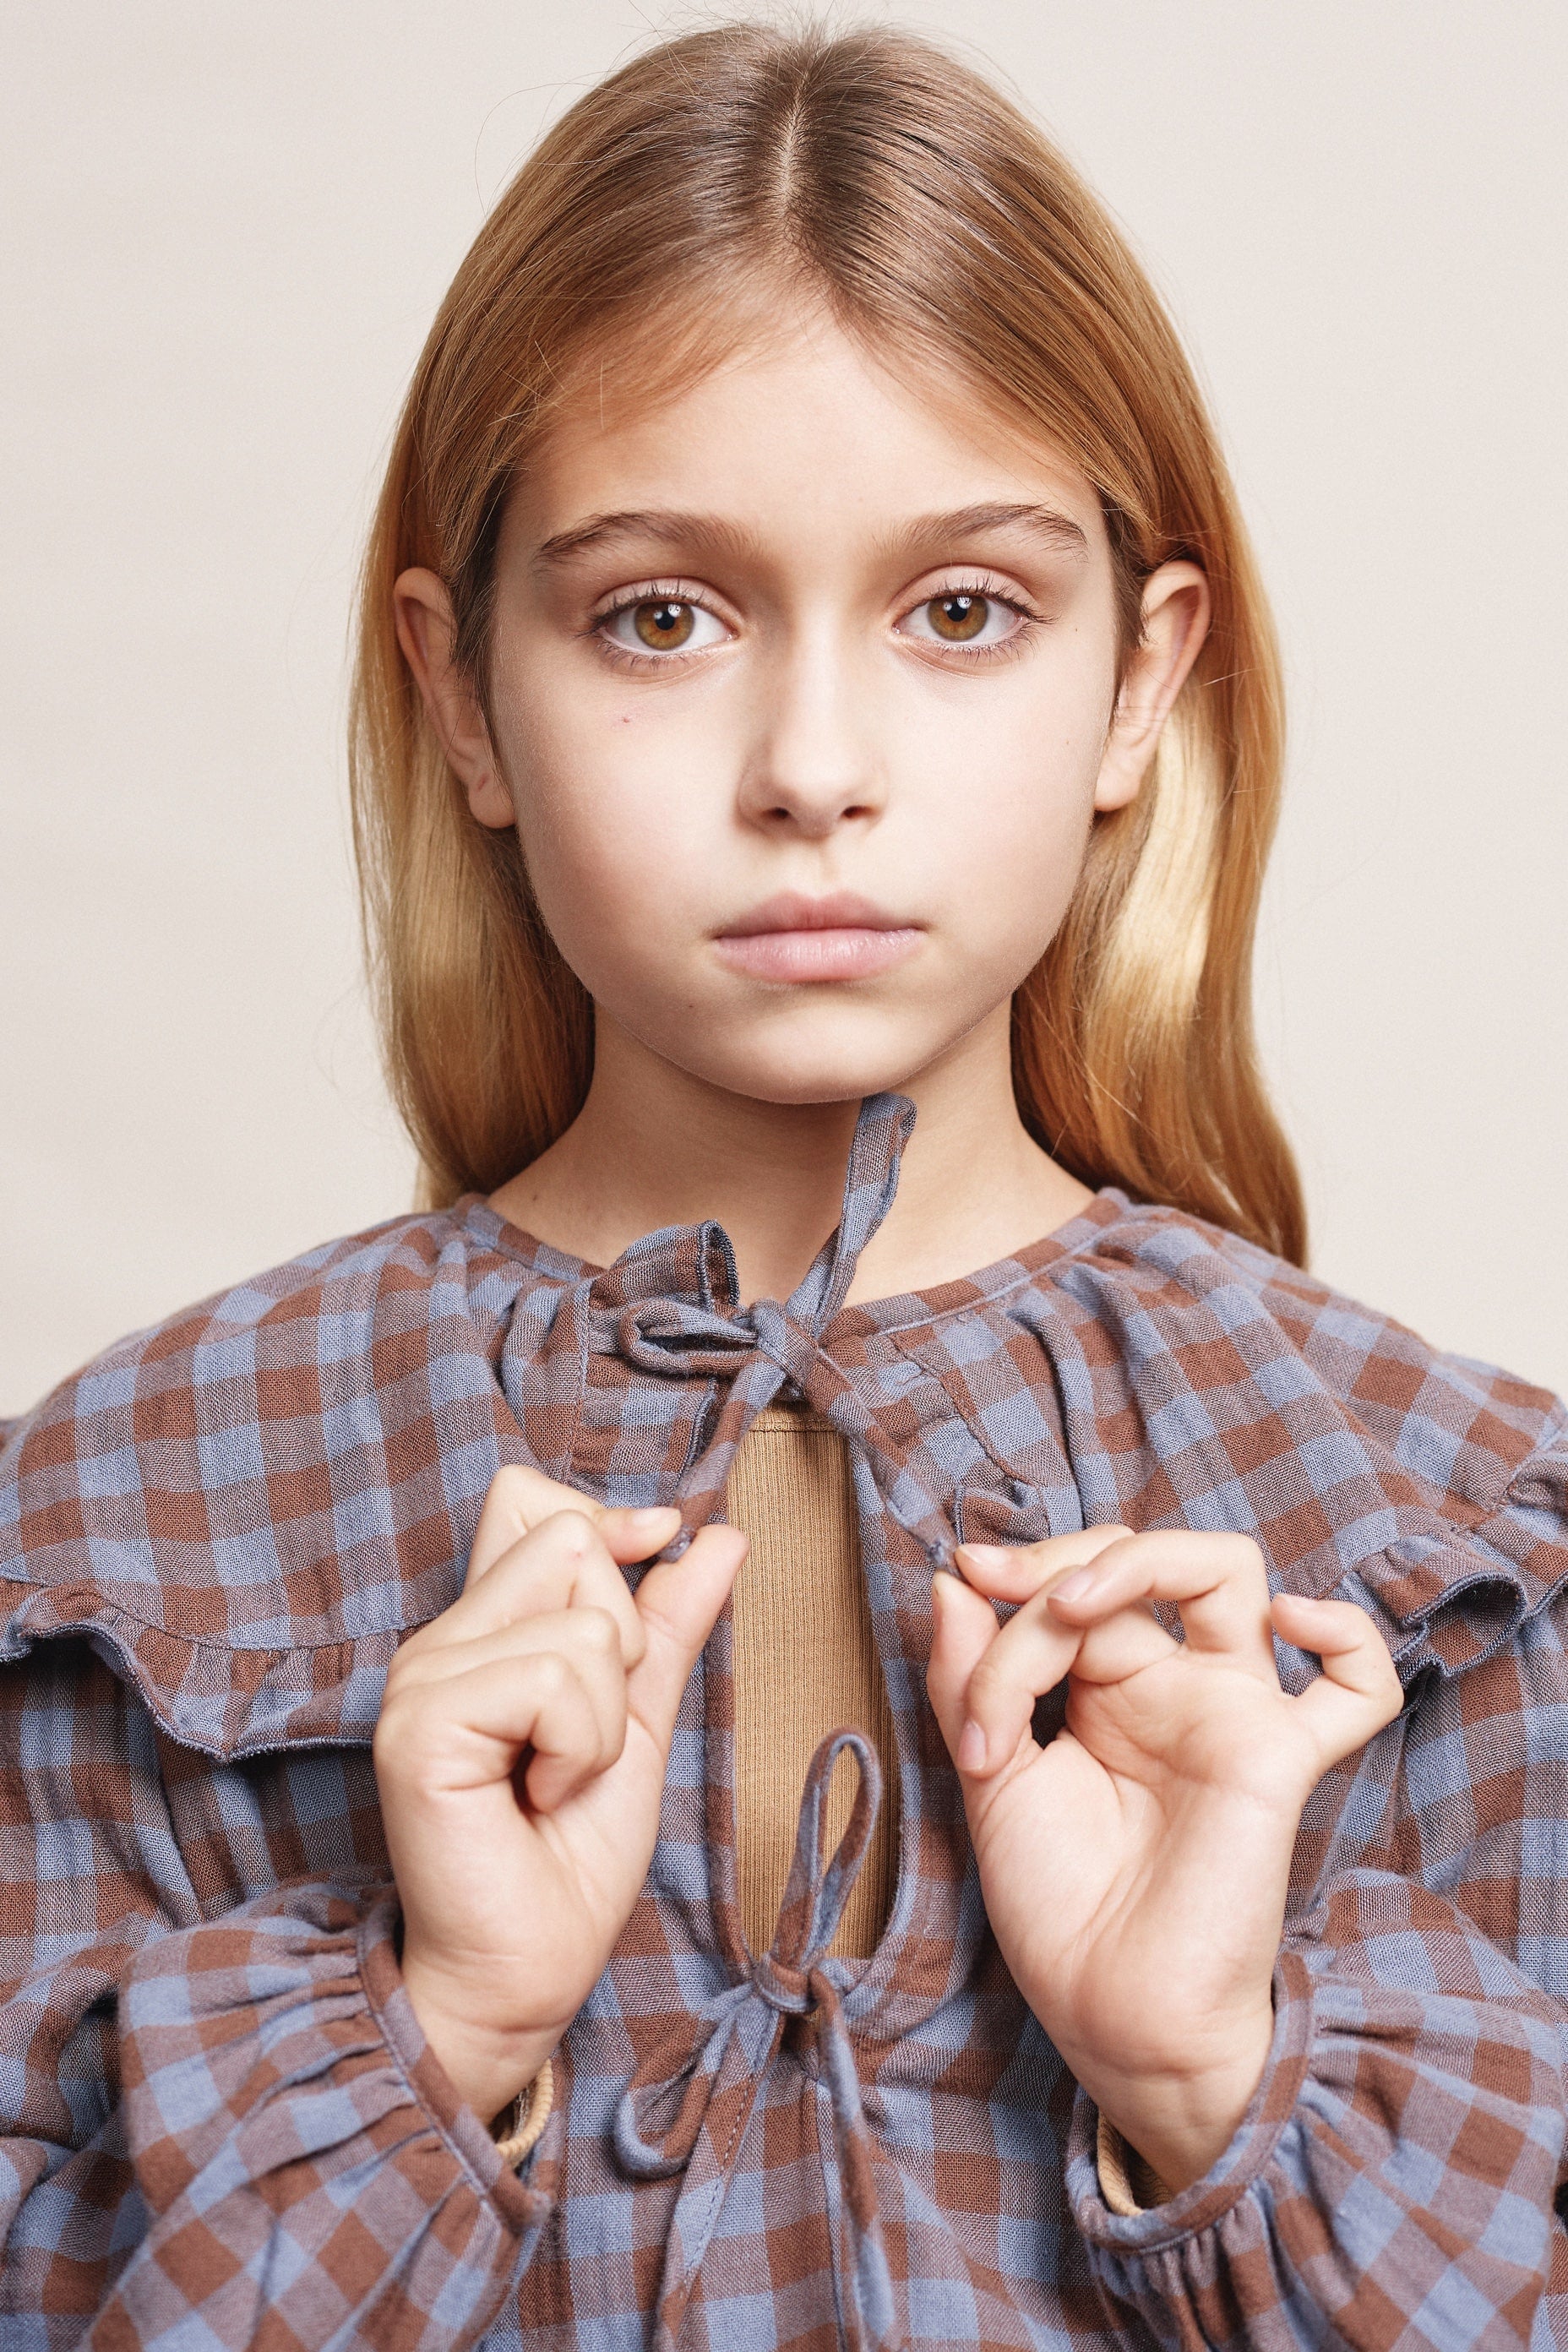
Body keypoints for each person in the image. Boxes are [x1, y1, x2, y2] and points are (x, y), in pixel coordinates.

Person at [2, 19, 1563, 2348]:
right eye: (662, 615)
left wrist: (1215, 2081)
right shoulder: (128, 1522)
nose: (813, 769)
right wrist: (435, 2048)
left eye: (962, 614)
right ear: (462, 699)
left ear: (1142, 685)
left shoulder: (1460, 1541)